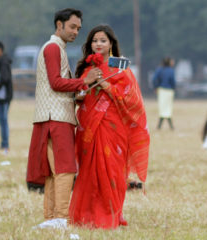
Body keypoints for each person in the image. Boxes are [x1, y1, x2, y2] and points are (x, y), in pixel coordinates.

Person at [69, 25, 150, 229]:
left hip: (112, 127)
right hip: (88, 128)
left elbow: (131, 99)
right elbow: (79, 97)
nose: (98, 44)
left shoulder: (120, 67)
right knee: (88, 172)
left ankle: (110, 215)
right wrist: (82, 91)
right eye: (95, 41)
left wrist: (105, 85)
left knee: (112, 171)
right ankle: (86, 215)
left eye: (103, 40)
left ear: (111, 44)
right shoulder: (86, 68)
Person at [27, 8, 100, 229]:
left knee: (53, 171)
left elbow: (58, 85)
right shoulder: (52, 48)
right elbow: (55, 82)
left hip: (55, 115)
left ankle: (51, 218)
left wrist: (78, 93)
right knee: (65, 168)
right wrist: (84, 81)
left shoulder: (57, 48)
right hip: (55, 117)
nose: (76, 32)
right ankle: (60, 217)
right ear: (59, 25)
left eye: (78, 28)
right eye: (72, 27)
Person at [153, 57, 176, 130]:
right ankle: (170, 126)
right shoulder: (171, 71)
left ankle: (160, 126)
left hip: (161, 90)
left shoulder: (159, 70)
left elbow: (154, 79)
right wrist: (173, 88)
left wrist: (156, 87)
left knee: (162, 107)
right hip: (169, 91)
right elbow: (173, 82)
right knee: (168, 108)